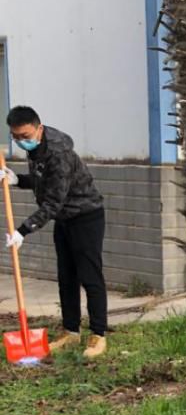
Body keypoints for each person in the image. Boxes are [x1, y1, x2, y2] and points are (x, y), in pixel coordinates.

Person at [4, 106, 108, 358]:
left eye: (25, 135)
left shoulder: (58, 152)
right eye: (16, 137)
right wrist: (18, 180)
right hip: (64, 219)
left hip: (85, 217)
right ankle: (71, 331)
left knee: (89, 276)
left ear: (39, 128)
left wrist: (22, 231)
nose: (21, 141)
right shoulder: (37, 147)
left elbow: (53, 201)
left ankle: (98, 335)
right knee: (66, 277)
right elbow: (43, 181)